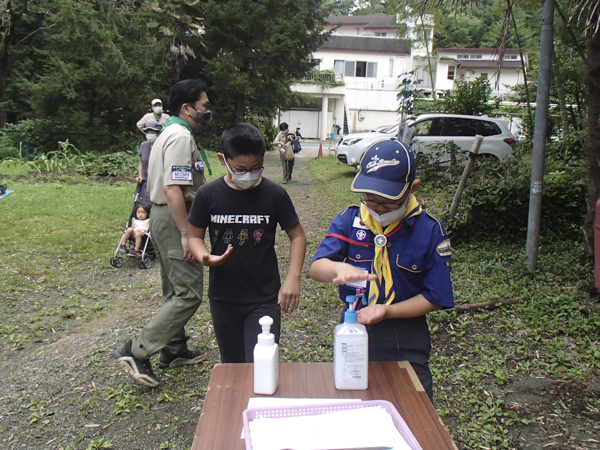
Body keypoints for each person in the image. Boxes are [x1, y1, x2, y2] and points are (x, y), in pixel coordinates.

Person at [309, 139, 454, 402]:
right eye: (369, 201)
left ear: (412, 188)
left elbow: (435, 297)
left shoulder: (429, 230)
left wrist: (388, 310)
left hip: (407, 332)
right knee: (354, 401)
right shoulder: (349, 221)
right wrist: (337, 269)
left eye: (387, 204)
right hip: (355, 327)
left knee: (414, 405)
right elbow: (317, 267)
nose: (376, 209)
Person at [113, 79, 213, 387]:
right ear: (187, 108)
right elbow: (173, 189)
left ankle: (175, 349)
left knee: (174, 288)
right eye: (204, 106)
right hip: (173, 217)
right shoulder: (181, 137)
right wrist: (187, 233)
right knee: (188, 293)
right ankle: (138, 350)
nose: (207, 112)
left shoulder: (168, 132)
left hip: (162, 215)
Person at [187, 123, 306, 363]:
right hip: (223, 296)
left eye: (256, 168)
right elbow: (194, 236)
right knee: (232, 364)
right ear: (223, 160)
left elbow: (297, 236)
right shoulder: (208, 195)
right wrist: (204, 256)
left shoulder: (275, 195)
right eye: (240, 169)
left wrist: (292, 278)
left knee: (261, 363)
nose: (249, 175)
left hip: (265, 297)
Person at [136, 120, 163, 206]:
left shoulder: (162, 146)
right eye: (148, 132)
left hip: (158, 182)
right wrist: (140, 175)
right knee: (143, 206)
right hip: (145, 182)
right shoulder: (144, 145)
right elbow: (141, 161)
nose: (150, 134)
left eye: (152, 132)